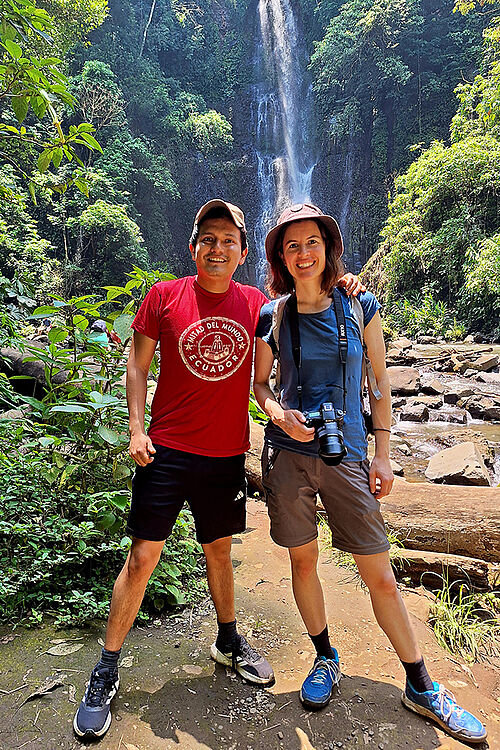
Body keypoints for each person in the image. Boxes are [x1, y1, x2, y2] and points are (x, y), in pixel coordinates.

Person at [73, 199, 363, 741]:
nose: (218, 247)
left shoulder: (257, 305)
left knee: (220, 551)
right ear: (193, 247)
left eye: (229, 240)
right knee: (142, 557)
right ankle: (107, 668)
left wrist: (344, 285)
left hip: (226, 454)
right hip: (167, 449)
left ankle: (228, 639)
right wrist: (137, 429)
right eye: (209, 238)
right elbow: (138, 366)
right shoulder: (163, 297)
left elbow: (304, 307)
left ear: (244, 252)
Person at [253, 203, 487, 745]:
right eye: (292, 246)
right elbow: (261, 385)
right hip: (289, 458)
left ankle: (421, 683)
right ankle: (324, 656)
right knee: (303, 561)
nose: (303, 253)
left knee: (380, 575)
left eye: (312, 242)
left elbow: (379, 380)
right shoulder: (271, 317)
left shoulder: (360, 305)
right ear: (279, 257)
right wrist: (276, 412)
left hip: (352, 455)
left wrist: (383, 452)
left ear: (328, 248)